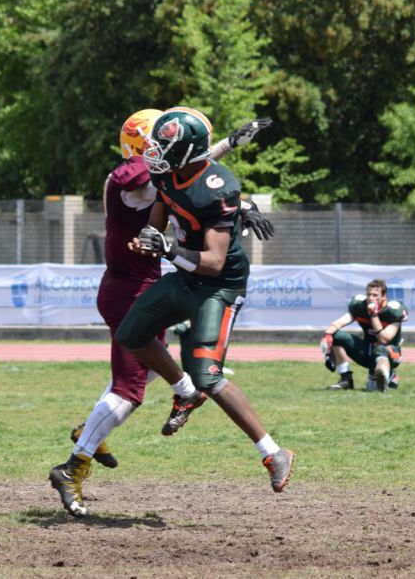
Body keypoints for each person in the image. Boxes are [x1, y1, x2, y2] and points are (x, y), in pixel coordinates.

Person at [49, 108, 274, 518]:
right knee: (128, 391)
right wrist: (240, 199)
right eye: (153, 143)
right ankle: (74, 465)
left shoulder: (156, 171)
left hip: (138, 283)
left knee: (146, 371)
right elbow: (180, 180)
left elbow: (190, 176)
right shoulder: (130, 177)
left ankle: (97, 427)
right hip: (129, 289)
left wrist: (232, 166)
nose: (158, 150)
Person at [112, 108, 294, 500]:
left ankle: (273, 452)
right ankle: (185, 391)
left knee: (208, 374)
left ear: (185, 151)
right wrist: (149, 237)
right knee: (131, 335)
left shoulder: (218, 187)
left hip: (219, 287)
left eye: (162, 146)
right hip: (186, 276)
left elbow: (213, 263)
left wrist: (167, 249)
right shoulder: (167, 172)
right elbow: (160, 211)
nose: (153, 152)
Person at [321, 279, 407, 392]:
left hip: (390, 352)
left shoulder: (392, 310)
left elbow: (384, 339)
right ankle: (346, 379)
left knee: (381, 349)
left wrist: (374, 315)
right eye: (369, 294)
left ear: (384, 296)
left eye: (375, 295)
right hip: (368, 350)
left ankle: (385, 378)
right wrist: (327, 337)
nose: (370, 298)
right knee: (336, 336)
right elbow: (338, 323)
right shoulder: (360, 306)